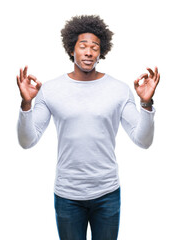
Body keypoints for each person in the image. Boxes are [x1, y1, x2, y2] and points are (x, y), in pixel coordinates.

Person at [16, 15, 160, 240]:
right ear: (71, 48)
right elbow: (27, 141)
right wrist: (26, 104)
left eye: (95, 47)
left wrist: (146, 103)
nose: (89, 52)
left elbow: (143, 141)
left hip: (107, 193)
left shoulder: (119, 90)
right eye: (83, 46)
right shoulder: (51, 89)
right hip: (67, 195)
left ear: (101, 52)